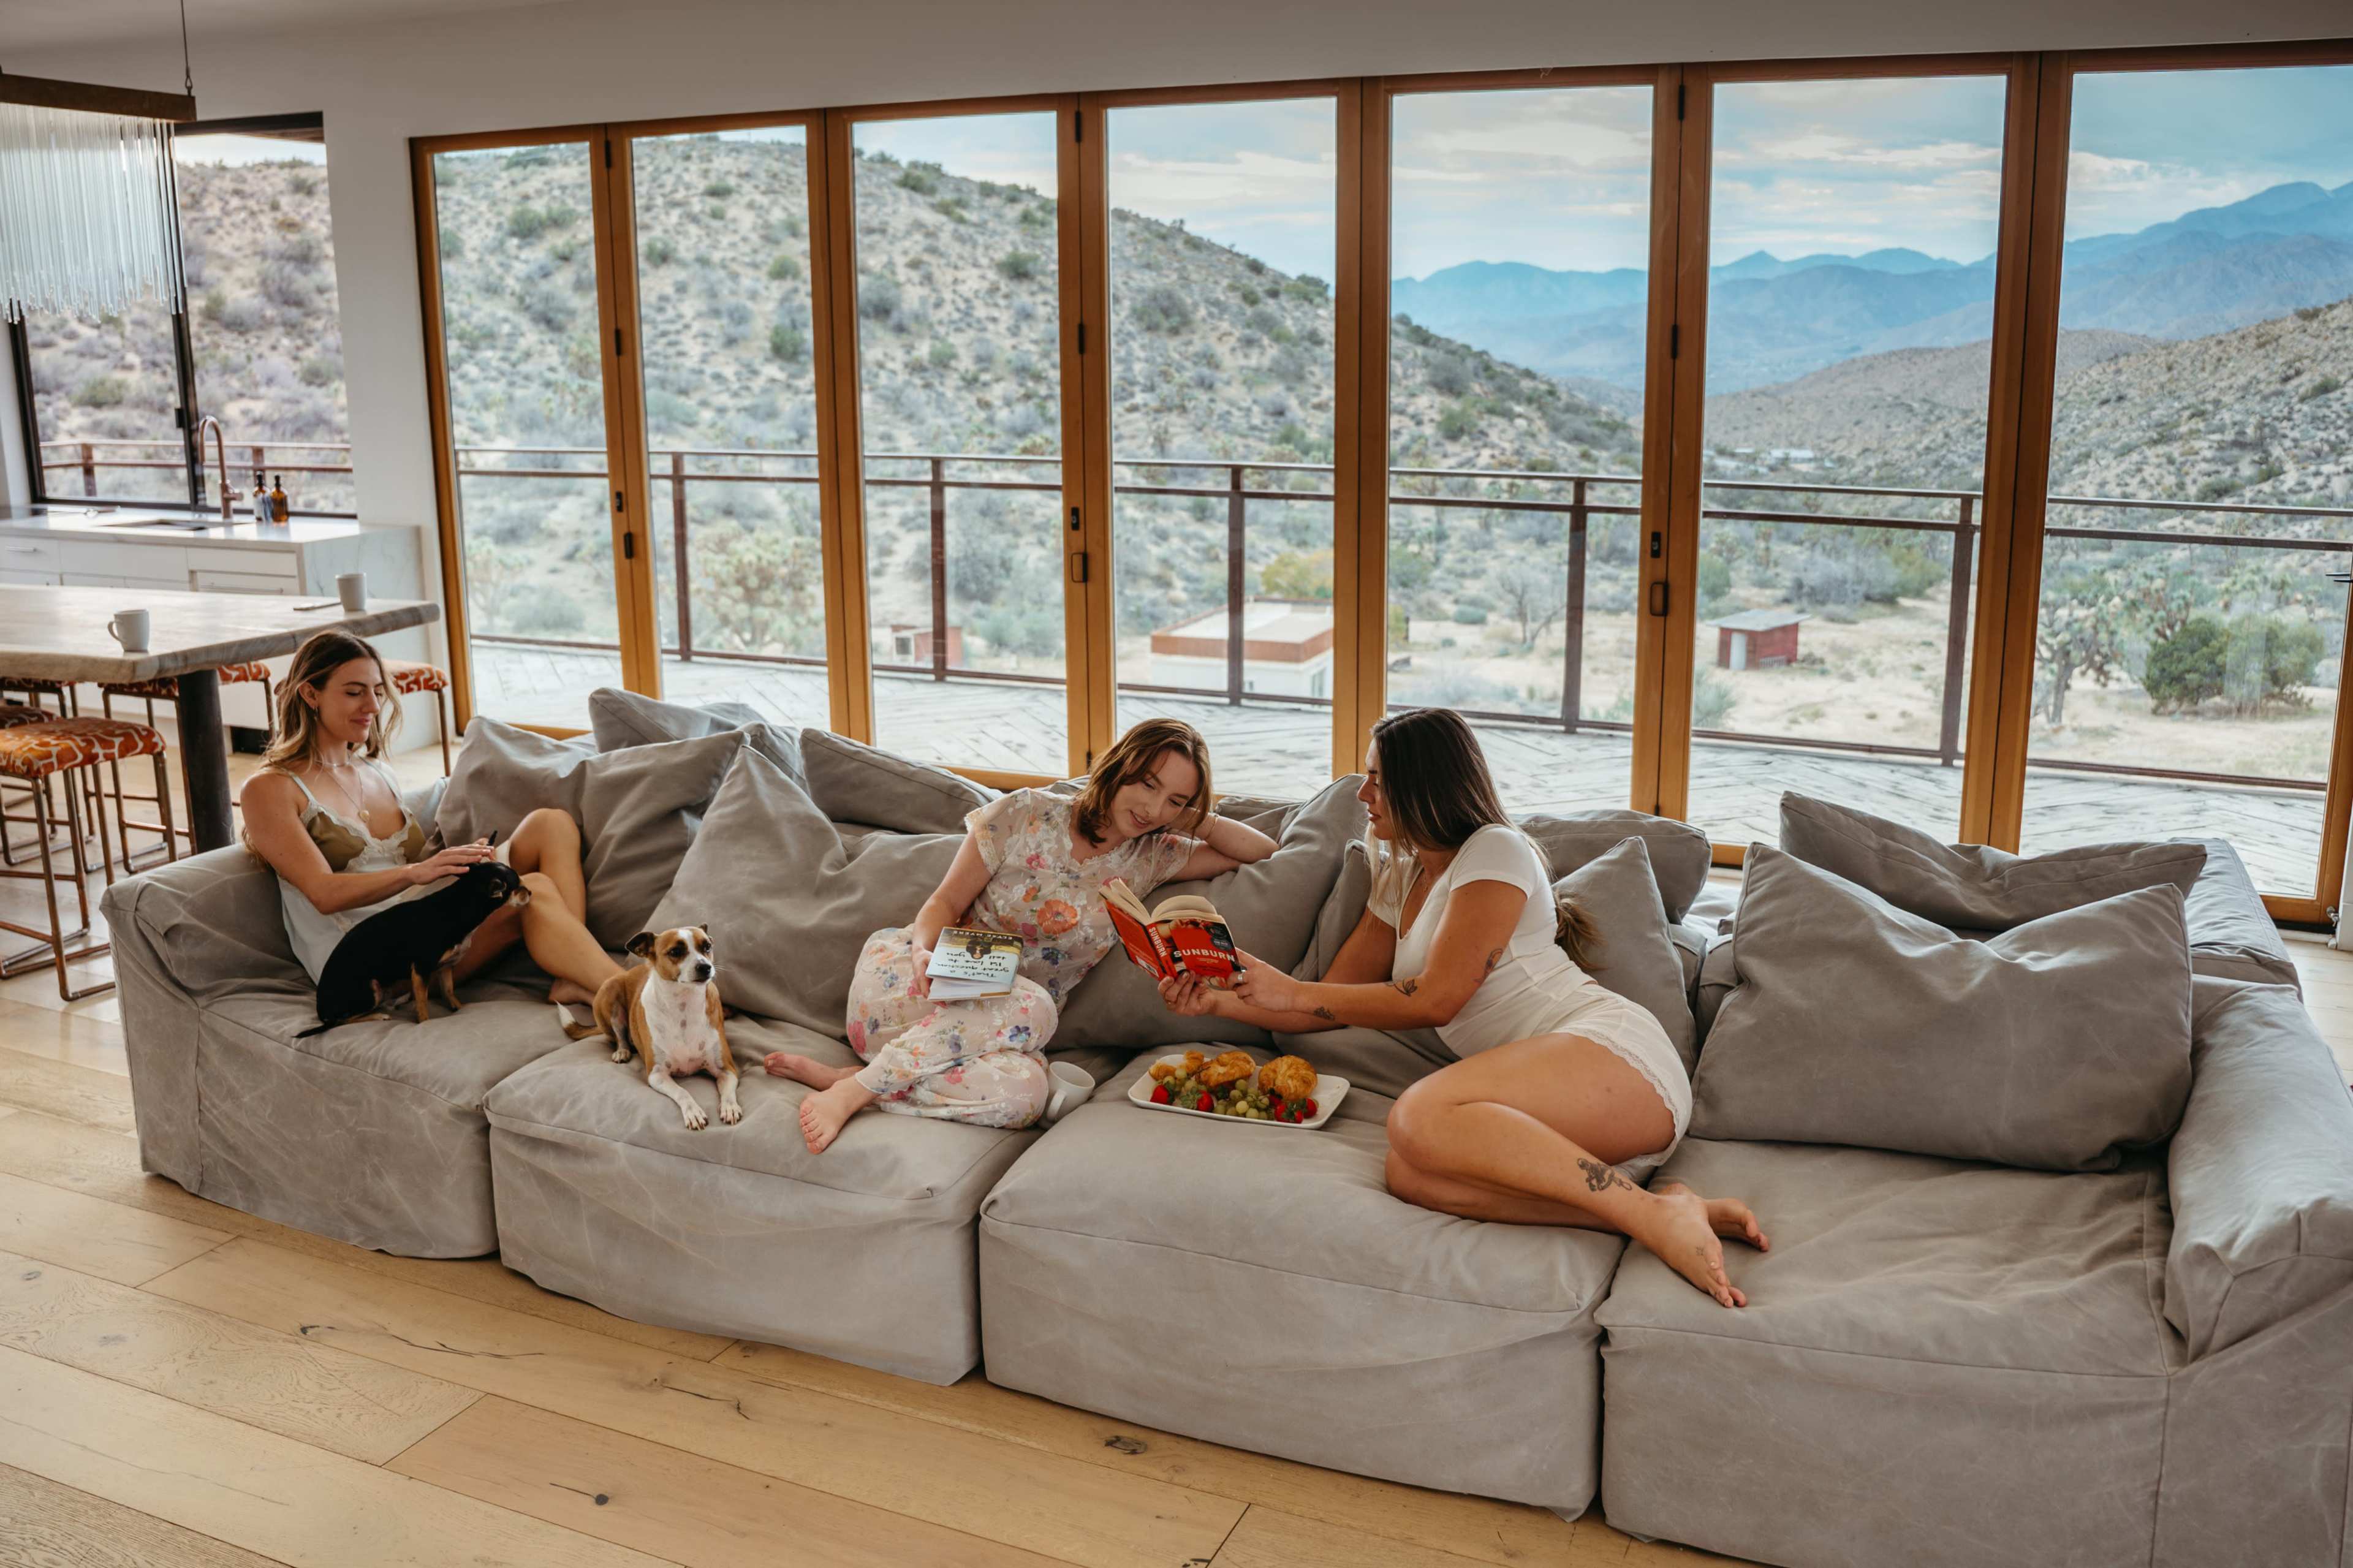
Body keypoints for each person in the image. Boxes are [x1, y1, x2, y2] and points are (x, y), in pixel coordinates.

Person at [1158, 707, 1767, 1309]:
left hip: (1615, 1056)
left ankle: (1656, 1219)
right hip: (1550, 1098)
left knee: (1418, 1116)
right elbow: (1332, 1004)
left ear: (1426, 786)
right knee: (1411, 1176)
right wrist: (1221, 1000)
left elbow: (1440, 996)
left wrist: (1293, 990)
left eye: (1378, 778)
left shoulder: (1495, 850)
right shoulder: (1399, 877)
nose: (1364, 792)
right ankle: (1656, 1211)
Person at [765, 718, 1279, 1154]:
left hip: (1000, 1028)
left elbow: (1263, 849)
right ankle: (858, 1088)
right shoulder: (1026, 812)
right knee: (1035, 1004)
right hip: (917, 989)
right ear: (1121, 766)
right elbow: (943, 903)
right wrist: (923, 951)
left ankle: (858, 1083)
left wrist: (1194, 817)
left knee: (1029, 1096)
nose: (1153, 808)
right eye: (1147, 783)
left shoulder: (1153, 854)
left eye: (1174, 800)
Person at [240, 630, 621, 1010]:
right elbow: (323, 894)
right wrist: (418, 872)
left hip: (422, 918)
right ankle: (632, 994)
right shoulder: (270, 789)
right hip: (370, 955)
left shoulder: (376, 772)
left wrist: (455, 863)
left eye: (377, 691)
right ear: (310, 695)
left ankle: (572, 976)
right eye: (354, 692)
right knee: (533, 887)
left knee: (550, 824)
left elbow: (407, 874)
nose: (372, 706)